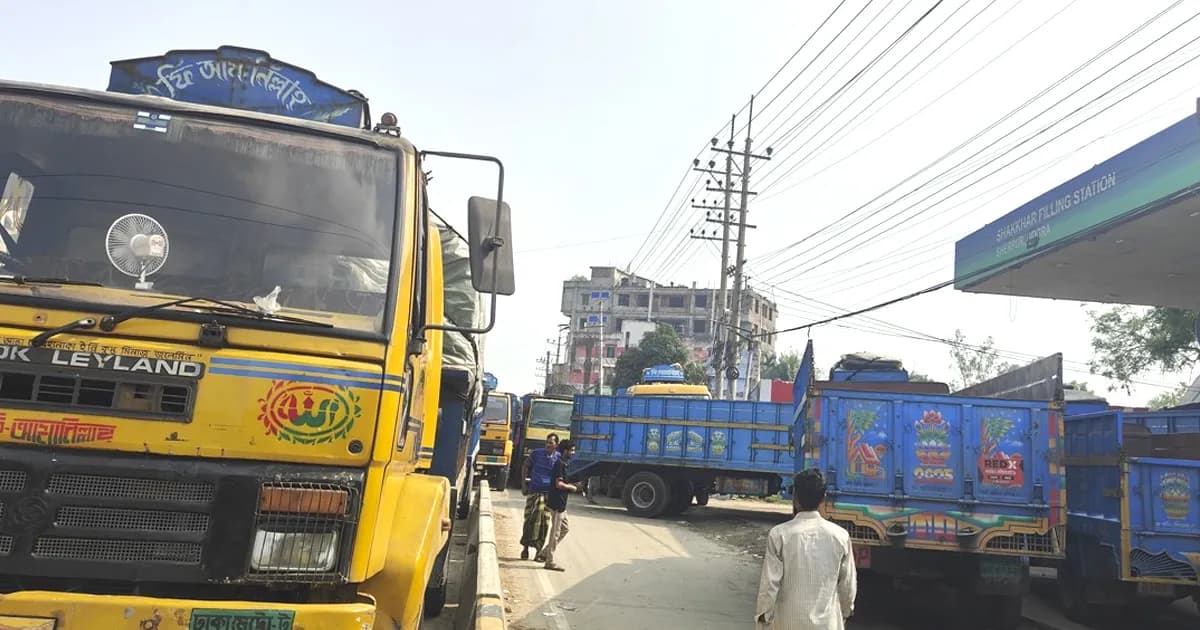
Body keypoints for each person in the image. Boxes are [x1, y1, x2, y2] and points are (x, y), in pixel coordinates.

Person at [755, 469, 857, 630]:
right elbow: (848, 585)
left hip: (788, 623)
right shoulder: (840, 536)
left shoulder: (779, 535)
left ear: (795, 497)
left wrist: (763, 619)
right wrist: (845, 612)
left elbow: (769, 585)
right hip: (827, 624)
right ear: (823, 498)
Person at [519, 433, 559, 560]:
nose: (548, 445)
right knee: (529, 519)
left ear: (556, 445)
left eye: (551, 443)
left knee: (544, 523)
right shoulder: (536, 453)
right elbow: (525, 465)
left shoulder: (558, 458)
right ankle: (525, 548)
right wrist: (524, 484)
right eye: (547, 442)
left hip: (548, 495)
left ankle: (538, 551)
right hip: (534, 491)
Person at [540, 439, 578, 571]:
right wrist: (571, 488)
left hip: (561, 504)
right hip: (557, 503)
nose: (573, 453)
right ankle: (549, 561)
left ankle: (544, 553)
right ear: (565, 451)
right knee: (555, 532)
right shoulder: (559, 464)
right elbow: (559, 484)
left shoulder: (564, 464)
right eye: (571, 450)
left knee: (564, 529)